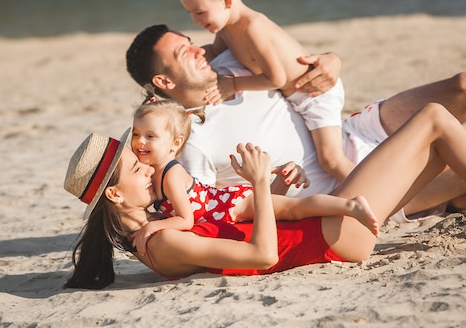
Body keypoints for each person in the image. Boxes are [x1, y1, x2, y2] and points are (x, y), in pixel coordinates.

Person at [62, 103, 466, 288]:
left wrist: (269, 188)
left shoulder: (168, 217)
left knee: (436, 144)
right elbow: (260, 255)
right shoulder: (159, 244)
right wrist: (260, 185)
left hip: (323, 228)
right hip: (330, 240)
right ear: (112, 193)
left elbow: (241, 224)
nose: (148, 167)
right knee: (434, 118)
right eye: (136, 166)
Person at [125, 24, 466, 221]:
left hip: (351, 132)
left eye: (190, 40)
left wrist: (330, 61)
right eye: (185, 52)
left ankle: (456, 199)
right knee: (458, 167)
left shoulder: (229, 58)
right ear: (163, 81)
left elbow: (306, 66)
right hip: (346, 188)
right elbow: (214, 212)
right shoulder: (182, 140)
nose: (198, 49)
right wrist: (274, 187)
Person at [176, 0, 354, 183]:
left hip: (315, 95)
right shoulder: (226, 29)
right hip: (297, 98)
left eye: (199, 12)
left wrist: (233, 85)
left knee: (330, 160)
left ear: (226, 0)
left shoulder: (253, 28)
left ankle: (374, 193)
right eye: (190, 13)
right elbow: (215, 52)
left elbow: (276, 79)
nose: (195, 21)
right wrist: (185, 57)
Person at [129, 96, 379, 249]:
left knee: (294, 209)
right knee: (285, 212)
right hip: (225, 209)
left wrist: (150, 228)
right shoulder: (153, 173)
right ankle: (304, 189)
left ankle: (349, 206)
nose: (140, 142)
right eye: (136, 134)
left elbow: (186, 220)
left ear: (175, 144)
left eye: (150, 136)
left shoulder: (171, 174)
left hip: (231, 204)